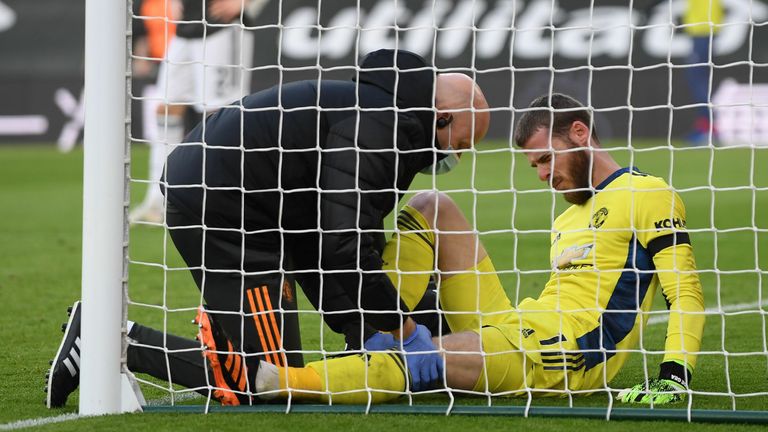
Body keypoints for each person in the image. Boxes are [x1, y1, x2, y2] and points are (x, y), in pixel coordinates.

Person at [45, 48, 490, 408]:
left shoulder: (395, 124)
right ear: (442, 119)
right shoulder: (381, 125)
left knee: (290, 372)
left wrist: (364, 326)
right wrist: (404, 330)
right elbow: (341, 245)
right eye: (462, 144)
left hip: (267, 217)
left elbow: (336, 237)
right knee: (265, 382)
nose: (459, 157)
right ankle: (110, 338)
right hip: (223, 208)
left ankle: (224, 327)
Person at [253, 93, 705, 406]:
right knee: (433, 205)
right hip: (521, 323)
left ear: (580, 133)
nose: (543, 175)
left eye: (547, 159)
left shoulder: (647, 193)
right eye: (535, 166)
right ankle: (376, 326)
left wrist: (674, 376)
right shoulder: (569, 215)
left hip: (566, 356)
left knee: (423, 359)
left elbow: (684, 292)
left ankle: (286, 381)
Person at [129, 0, 267, 224]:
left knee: (222, 115)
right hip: (186, 26)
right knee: (166, 108)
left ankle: (228, 200)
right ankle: (159, 199)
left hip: (222, 25)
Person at [683, 0, 723, 145]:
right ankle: (706, 125)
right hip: (705, 30)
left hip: (703, 30)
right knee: (699, 79)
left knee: (696, 79)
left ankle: (708, 127)